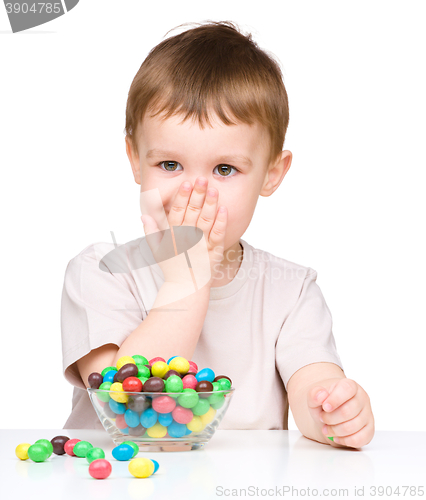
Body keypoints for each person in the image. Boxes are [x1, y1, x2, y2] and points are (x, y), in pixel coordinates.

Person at [61, 21, 374, 448]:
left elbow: (311, 386)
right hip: (119, 482)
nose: (195, 191)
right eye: (170, 165)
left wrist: (332, 411)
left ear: (271, 174)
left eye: (225, 169)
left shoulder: (291, 292)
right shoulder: (101, 272)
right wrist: (186, 280)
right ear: (135, 159)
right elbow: (126, 400)